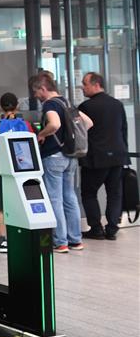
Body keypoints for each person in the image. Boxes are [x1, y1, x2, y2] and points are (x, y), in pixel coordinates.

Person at [31, 72, 93, 253]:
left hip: (54, 156)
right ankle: (75, 240)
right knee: (70, 197)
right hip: (70, 156)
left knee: (55, 199)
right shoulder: (66, 102)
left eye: (36, 91)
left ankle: (60, 241)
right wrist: (70, 139)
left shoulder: (50, 104)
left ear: (43, 88)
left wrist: (41, 134)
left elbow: (55, 124)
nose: (36, 95)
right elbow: (88, 123)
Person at [78, 72, 128, 240]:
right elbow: (123, 130)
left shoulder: (86, 107)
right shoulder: (117, 104)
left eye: (85, 84)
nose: (82, 87)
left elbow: (80, 134)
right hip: (117, 156)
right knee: (114, 193)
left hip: (95, 158)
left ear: (96, 84)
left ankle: (96, 228)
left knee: (89, 192)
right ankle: (112, 228)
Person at [0, 92, 34, 253]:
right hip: (23, 170)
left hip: (4, 170)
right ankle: (24, 237)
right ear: (17, 105)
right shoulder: (26, 125)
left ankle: (3, 241)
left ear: (0, 106)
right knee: (22, 202)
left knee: (1, 205)